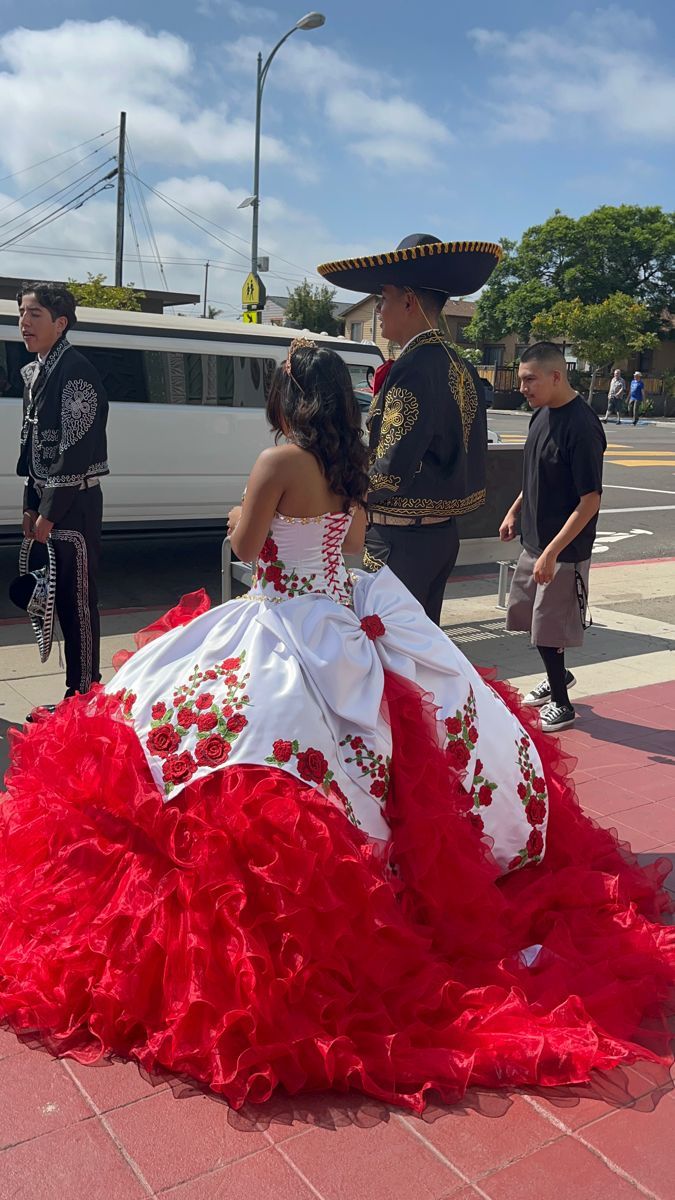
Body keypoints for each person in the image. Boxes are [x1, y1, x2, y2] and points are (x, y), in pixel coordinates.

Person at [0, 340, 673, 1116]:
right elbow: (352, 551)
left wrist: (237, 516)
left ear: (287, 397)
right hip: (339, 627)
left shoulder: (277, 461)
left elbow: (247, 548)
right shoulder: (350, 467)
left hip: (279, 623)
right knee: (380, 754)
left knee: (201, 738)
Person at [318, 235, 500, 625]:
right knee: (421, 651)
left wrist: (336, 491)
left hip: (399, 542)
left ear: (408, 300)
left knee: (388, 656)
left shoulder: (412, 367)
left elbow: (391, 470)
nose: (379, 310)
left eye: (383, 298)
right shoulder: (460, 364)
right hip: (440, 537)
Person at [500, 342, 607, 733]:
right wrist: (514, 511)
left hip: (563, 549)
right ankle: (558, 678)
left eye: (529, 379)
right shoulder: (540, 414)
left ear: (556, 376)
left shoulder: (582, 427)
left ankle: (562, 702)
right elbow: (537, 475)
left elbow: (590, 499)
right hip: (536, 540)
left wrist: (552, 553)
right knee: (534, 621)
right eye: (521, 379)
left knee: (549, 627)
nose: (522, 387)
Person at [15, 282, 108, 708]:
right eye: (21, 313)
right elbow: (30, 446)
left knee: (77, 603)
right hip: (49, 500)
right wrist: (29, 505)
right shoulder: (35, 372)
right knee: (54, 596)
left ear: (61, 322)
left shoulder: (76, 370)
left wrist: (49, 512)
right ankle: (77, 691)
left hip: (76, 504)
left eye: (34, 314)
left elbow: (76, 451)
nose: (24, 322)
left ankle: (84, 691)